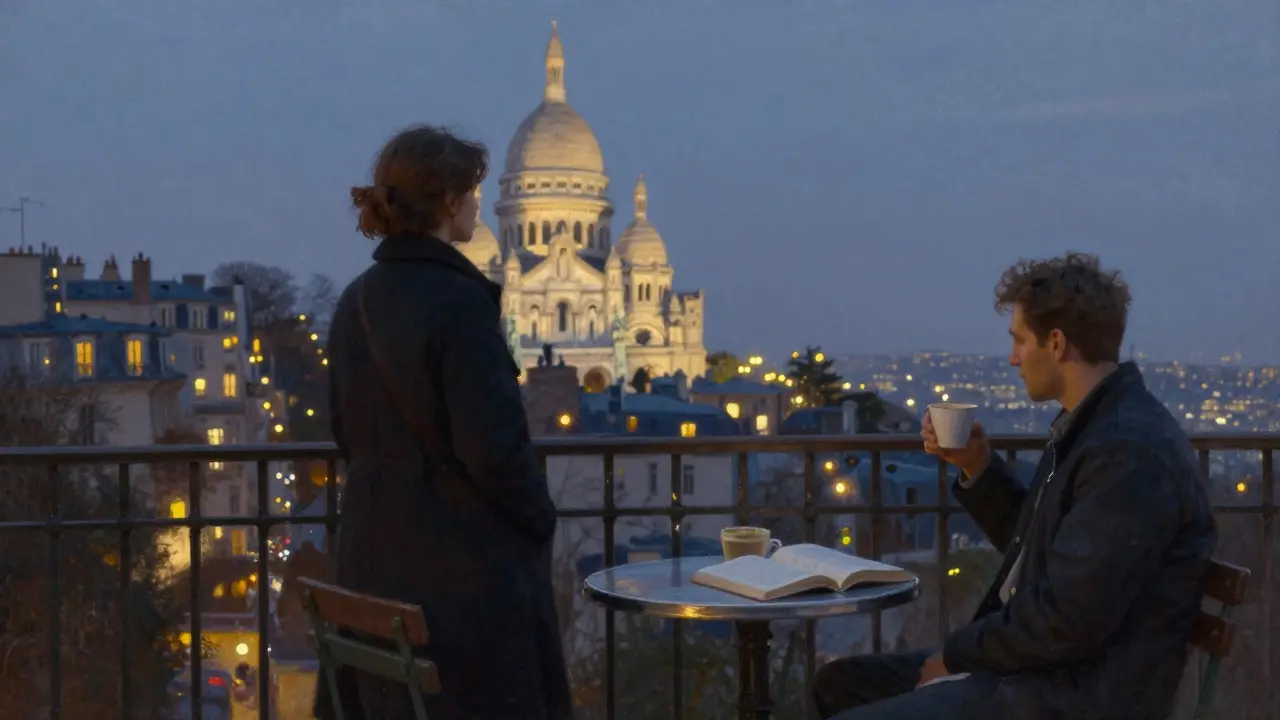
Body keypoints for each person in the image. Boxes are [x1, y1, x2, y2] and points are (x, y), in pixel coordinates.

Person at [812, 253, 1215, 719]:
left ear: (1057, 343)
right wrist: (979, 468)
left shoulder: (1126, 452)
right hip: (1040, 674)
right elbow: (1045, 555)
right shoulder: (1095, 428)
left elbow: (1067, 620)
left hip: (1070, 696)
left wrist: (956, 658)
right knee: (840, 684)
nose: (1013, 358)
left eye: (1020, 341)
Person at [315, 124, 572, 720]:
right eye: (473, 193)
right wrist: (539, 520)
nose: (479, 206)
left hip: (369, 564)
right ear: (450, 201)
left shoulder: (354, 301)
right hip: (460, 585)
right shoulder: (461, 301)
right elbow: (494, 449)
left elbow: (344, 429)